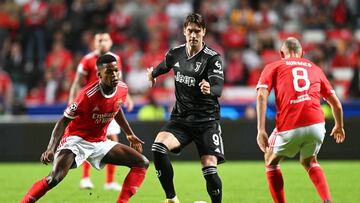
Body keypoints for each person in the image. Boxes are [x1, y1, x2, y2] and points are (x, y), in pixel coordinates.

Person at [20, 54, 148, 203]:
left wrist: (129, 134)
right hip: (76, 140)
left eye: (116, 71)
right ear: (99, 74)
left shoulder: (122, 88)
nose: (114, 75)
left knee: (141, 162)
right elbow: (63, 121)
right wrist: (51, 148)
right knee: (54, 178)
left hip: (100, 142)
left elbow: (116, 107)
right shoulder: (87, 95)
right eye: (109, 72)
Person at [256, 37, 345, 203]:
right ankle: (327, 200)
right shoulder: (315, 68)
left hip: (290, 123)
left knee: (270, 160)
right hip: (317, 124)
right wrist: (339, 126)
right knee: (309, 161)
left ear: (282, 53)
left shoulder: (274, 66)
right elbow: (337, 105)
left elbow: (261, 95)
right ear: (302, 53)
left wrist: (261, 130)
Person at [147, 13, 225, 203]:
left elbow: (218, 88)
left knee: (209, 169)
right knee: (157, 147)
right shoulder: (176, 53)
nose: (193, 35)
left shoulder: (212, 58)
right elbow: (164, 66)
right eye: (190, 30)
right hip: (181, 120)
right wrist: (153, 74)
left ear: (204, 32)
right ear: (184, 31)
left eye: (197, 31)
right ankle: (171, 198)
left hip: (206, 122)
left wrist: (210, 88)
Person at [69, 31, 134, 191]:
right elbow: (77, 82)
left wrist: (129, 97)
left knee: (114, 140)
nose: (102, 43)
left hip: (110, 104)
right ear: (94, 43)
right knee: (87, 140)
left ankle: (110, 181)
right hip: (92, 106)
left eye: (105, 40)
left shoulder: (115, 59)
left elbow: (119, 81)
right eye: (99, 40)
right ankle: (85, 178)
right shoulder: (87, 60)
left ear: (110, 42)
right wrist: (73, 101)